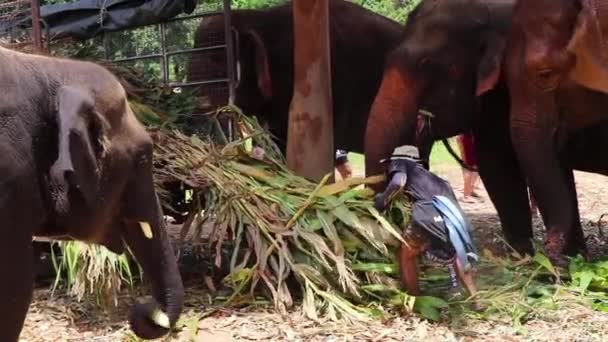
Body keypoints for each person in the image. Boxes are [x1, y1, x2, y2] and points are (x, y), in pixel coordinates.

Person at [374, 145, 478, 297]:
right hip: (454, 222)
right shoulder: (441, 181)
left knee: (407, 253)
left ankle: (414, 298)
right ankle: (475, 297)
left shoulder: (401, 163)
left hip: (427, 215)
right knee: (457, 254)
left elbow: (398, 182)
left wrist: (382, 201)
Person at [457, 133, 482, 202]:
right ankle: (466, 196)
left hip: (474, 156)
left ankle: (471, 191)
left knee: (475, 174)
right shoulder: (462, 135)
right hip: (467, 157)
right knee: (468, 175)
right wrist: (464, 160)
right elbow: (460, 143)